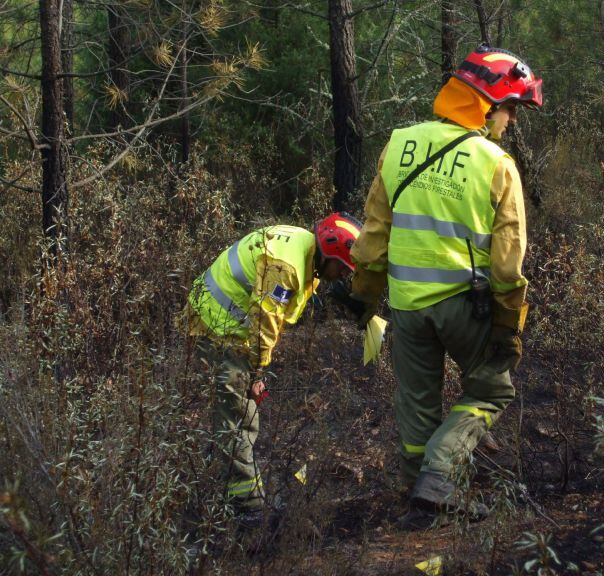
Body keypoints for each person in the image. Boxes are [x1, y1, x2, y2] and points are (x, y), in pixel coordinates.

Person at [349, 44, 542, 526]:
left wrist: (363, 299)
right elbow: (507, 263)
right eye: (511, 109)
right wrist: (509, 323)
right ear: (487, 103)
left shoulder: (399, 145)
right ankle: (439, 474)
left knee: (417, 403)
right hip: (465, 306)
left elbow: (373, 238)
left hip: (407, 309)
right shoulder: (496, 164)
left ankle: (418, 500)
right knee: (492, 388)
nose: (511, 121)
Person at [184, 213, 362, 526]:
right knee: (240, 419)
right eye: (343, 269)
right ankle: (247, 510)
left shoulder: (303, 246)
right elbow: (265, 321)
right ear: (329, 253)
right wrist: (257, 372)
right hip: (220, 326)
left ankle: (212, 481)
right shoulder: (287, 267)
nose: (343, 276)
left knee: (236, 414)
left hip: (228, 324)